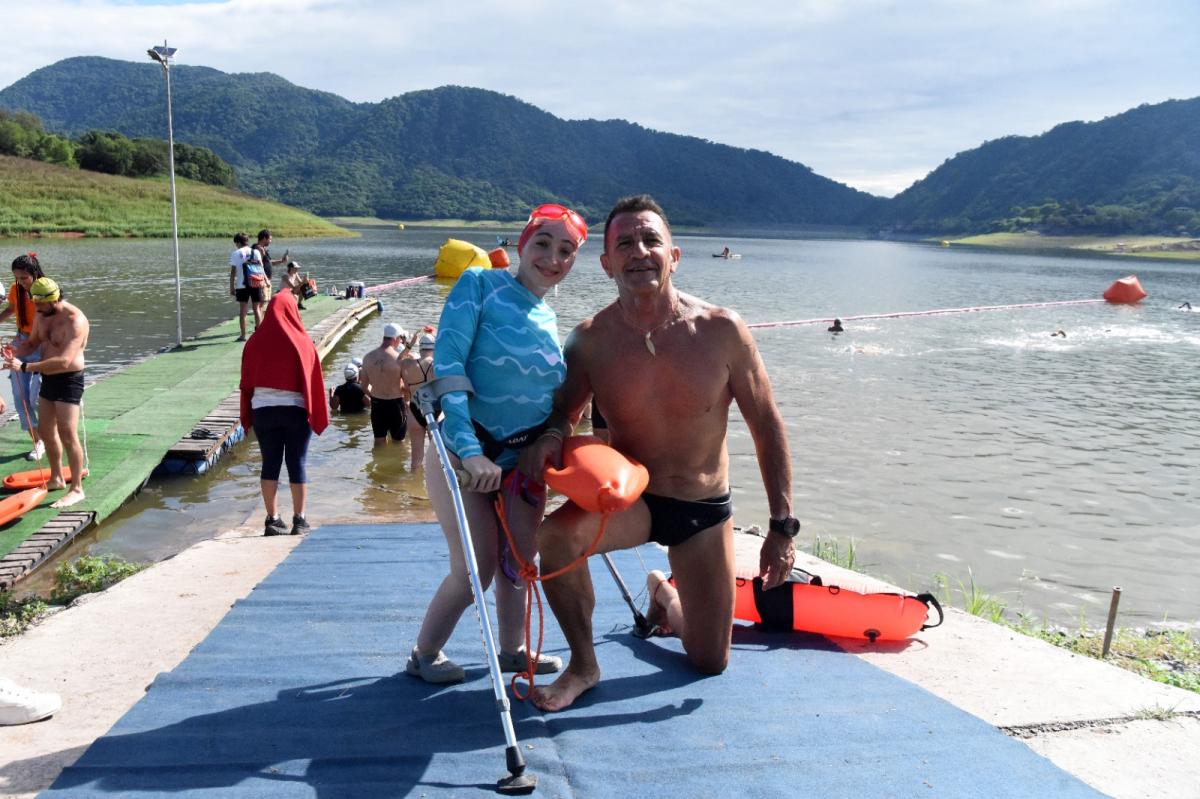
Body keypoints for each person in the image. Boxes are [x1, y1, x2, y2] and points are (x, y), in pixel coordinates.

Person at [521, 195, 796, 712]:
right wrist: (550, 438)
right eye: (624, 243)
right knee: (554, 539)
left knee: (709, 660)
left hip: (702, 508)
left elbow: (768, 426)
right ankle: (585, 665)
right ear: (606, 264)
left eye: (651, 240)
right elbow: (563, 414)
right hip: (636, 500)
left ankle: (663, 595)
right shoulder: (589, 342)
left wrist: (783, 527)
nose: (639, 251)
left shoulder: (721, 330)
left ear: (674, 255)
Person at [406, 202, 588, 684]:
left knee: (519, 564)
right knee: (475, 571)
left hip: (520, 463)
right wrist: (468, 449)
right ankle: (424, 655)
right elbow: (449, 368)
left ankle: (514, 650)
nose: (553, 257)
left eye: (566, 251)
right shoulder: (480, 285)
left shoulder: (550, 320)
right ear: (523, 243)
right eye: (543, 243)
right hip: (463, 455)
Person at [240, 291, 329, 536]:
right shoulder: (302, 341)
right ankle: (299, 520)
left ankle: (272, 519)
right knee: (297, 463)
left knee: (269, 463)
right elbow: (314, 381)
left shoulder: (254, 342)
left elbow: (246, 382)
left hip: (263, 411)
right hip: (296, 412)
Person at [3, 277, 91, 509]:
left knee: (67, 433)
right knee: (45, 429)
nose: (36, 309)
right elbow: (32, 343)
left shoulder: (75, 320)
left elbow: (63, 361)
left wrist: (24, 367)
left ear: (52, 300)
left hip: (69, 379)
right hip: (48, 379)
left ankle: (77, 489)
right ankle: (56, 478)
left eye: (39, 304)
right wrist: (15, 351)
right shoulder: (43, 315)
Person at [0, 254, 45, 460]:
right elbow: (11, 308)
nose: (21, 282)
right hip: (22, 340)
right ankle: (37, 442)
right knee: (20, 398)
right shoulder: (15, 289)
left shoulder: (46, 290)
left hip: (44, 345)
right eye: (17, 277)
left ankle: (48, 437)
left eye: (25, 277)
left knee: (38, 399)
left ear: (35, 273)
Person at [360, 323, 411, 447]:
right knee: (399, 443)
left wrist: (375, 396)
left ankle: (379, 464)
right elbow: (408, 388)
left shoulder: (367, 357)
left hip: (377, 405)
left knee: (379, 442)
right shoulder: (399, 359)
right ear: (396, 339)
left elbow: (364, 387)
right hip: (396, 405)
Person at [400, 331, 436, 470]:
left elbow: (397, 361)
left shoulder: (408, 364)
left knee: (416, 460)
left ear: (420, 348)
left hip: (415, 410)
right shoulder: (438, 364)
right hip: (435, 411)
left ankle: (413, 483)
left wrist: (409, 345)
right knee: (440, 456)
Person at [229, 232, 265, 342]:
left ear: (238, 242)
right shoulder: (256, 252)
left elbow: (233, 272)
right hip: (255, 282)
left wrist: (231, 287)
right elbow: (261, 270)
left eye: (236, 243)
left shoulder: (236, 253)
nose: (236, 245)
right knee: (257, 309)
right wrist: (263, 286)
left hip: (242, 285)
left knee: (243, 311)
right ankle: (259, 333)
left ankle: (243, 335)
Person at [252, 229, 288, 303]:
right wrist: (265, 279)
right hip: (262, 280)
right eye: (270, 239)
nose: (270, 241)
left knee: (266, 302)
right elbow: (259, 266)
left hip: (266, 280)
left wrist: (281, 261)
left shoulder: (263, 249)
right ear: (265, 238)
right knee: (263, 303)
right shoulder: (258, 249)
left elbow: (269, 262)